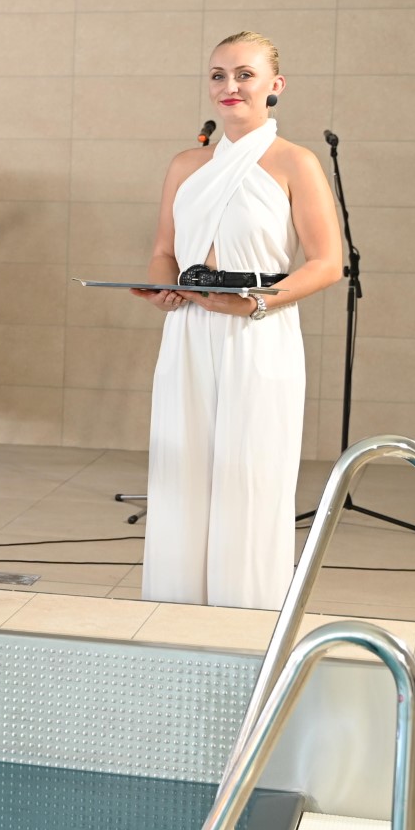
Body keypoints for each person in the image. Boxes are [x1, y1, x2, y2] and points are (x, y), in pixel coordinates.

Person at [133, 31, 342, 610]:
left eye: (245, 74)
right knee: (182, 468)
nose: (230, 86)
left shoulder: (296, 162)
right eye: (218, 75)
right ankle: (173, 611)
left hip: (259, 331)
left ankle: (245, 616)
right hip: (189, 332)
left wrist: (256, 303)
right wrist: (163, 287)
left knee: (249, 472)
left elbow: (328, 263)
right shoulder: (186, 164)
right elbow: (163, 251)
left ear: (275, 85)